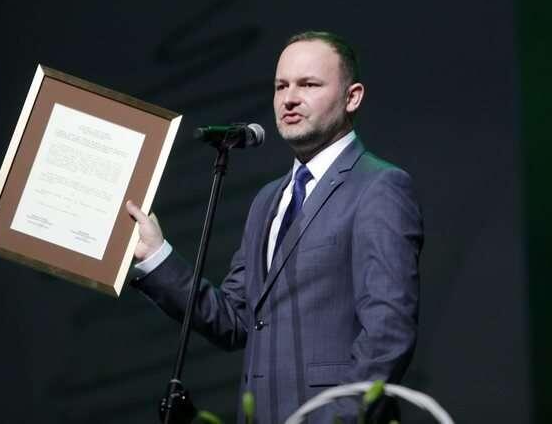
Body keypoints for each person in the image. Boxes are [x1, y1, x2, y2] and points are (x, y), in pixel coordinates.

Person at [126, 31, 423, 423]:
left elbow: (388, 330)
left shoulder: (378, 187)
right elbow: (235, 320)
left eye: (308, 85)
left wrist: (338, 419)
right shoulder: (268, 200)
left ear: (352, 97)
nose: (289, 98)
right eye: (281, 86)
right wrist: (157, 256)